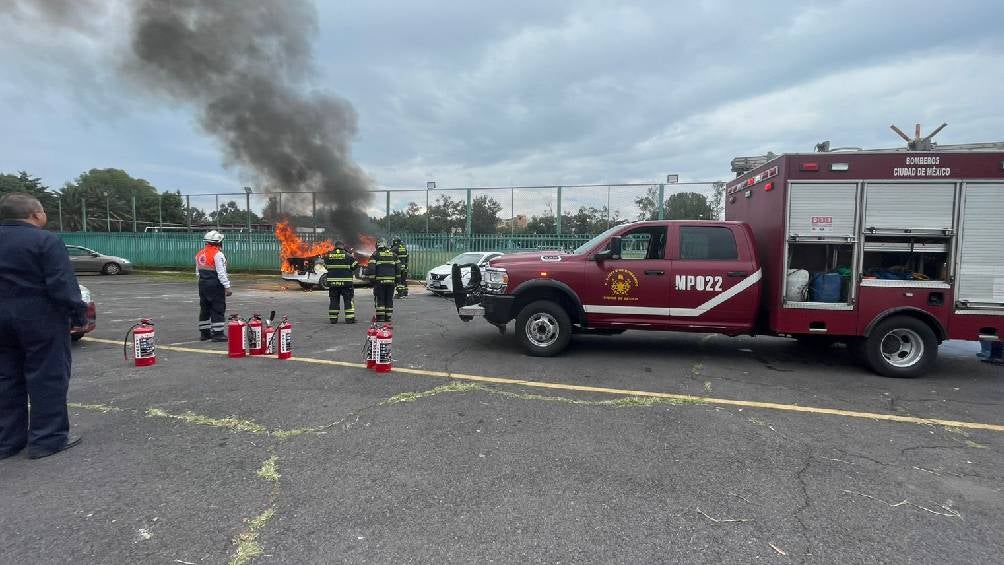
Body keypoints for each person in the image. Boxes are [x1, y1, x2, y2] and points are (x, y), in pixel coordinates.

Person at [0, 193, 87, 459]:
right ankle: (47, 439)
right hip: (39, 318)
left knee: (5, 378)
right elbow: (62, 284)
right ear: (36, 214)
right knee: (47, 376)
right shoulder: (45, 240)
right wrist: (77, 313)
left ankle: (7, 441)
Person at [195, 230, 232, 341]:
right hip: (215, 285)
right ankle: (218, 334)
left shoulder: (199, 254)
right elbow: (221, 273)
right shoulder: (218, 254)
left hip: (202, 284)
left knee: (205, 308)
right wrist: (227, 286)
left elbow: (197, 272)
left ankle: (204, 333)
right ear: (218, 242)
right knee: (218, 308)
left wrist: (204, 281)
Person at [324, 241, 358, 324]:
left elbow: (326, 267)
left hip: (333, 284)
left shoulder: (328, 256)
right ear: (343, 247)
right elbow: (355, 266)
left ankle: (333, 319)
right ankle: (349, 319)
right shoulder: (348, 255)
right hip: (346, 284)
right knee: (348, 301)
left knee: (334, 301)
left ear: (335, 247)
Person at [369, 238, 400, 322]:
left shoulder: (375, 255)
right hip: (391, 282)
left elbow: (372, 269)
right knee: (389, 299)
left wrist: (372, 280)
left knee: (380, 299)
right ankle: (388, 317)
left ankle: (381, 317)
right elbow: (398, 269)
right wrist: (397, 280)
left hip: (380, 282)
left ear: (378, 245)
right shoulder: (394, 255)